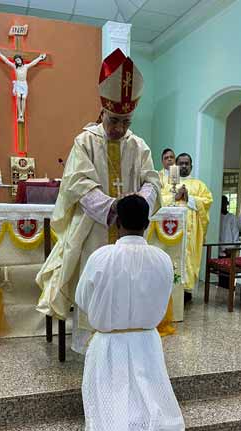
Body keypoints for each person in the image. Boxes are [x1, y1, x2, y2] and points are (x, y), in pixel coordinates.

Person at [36, 49, 160, 354]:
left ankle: (129, 341)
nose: (119, 128)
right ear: (103, 112)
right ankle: (92, 347)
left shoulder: (139, 146)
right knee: (94, 281)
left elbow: (153, 181)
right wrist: (113, 206)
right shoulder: (85, 142)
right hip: (94, 226)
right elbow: (77, 183)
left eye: (126, 121)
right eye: (114, 120)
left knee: (131, 285)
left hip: (131, 230)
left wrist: (138, 203)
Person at [75, 194, 185, 431]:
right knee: (150, 402)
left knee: (113, 405)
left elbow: (82, 299)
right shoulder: (162, 259)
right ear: (147, 223)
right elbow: (165, 295)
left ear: (117, 223)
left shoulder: (101, 257)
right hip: (147, 342)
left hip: (110, 344)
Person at [161, 153, 213, 302]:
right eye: (181, 163)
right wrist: (175, 197)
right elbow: (160, 200)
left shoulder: (199, 185)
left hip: (191, 231)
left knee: (188, 258)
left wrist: (189, 198)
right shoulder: (168, 184)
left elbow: (207, 201)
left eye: (186, 163)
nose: (184, 166)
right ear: (175, 166)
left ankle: (186, 292)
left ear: (191, 166)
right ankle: (169, 290)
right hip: (171, 229)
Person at [0, 49, 47, 122]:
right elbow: (6, 61)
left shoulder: (26, 67)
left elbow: (33, 63)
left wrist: (40, 58)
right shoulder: (15, 67)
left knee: (23, 98)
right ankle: (20, 114)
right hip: (18, 83)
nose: (18, 61)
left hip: (24, 84)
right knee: (18, 96)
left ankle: (21, 115)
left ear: (21, 60)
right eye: (16, 61)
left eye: (18, 60)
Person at [219, 195, 241, 288]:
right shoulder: (217, 217)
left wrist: (232, 249)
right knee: (221, 275)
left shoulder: (232, 218)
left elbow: (236, 234)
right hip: (219, 250)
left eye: (224, 203)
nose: (223, 205)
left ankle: (230, 289)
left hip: (229, 250)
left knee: (229, 274)